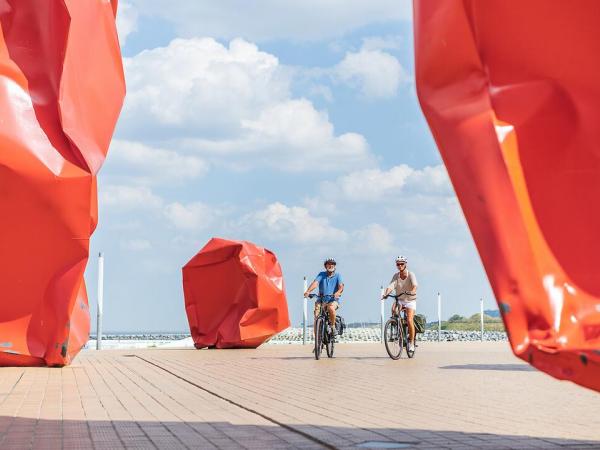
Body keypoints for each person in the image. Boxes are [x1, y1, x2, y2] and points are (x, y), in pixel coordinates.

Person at [382, 255, 418, 352]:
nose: (400, 266)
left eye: (402, 264)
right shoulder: (396, 276)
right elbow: (391, 286)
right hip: (400, 299)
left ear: (405, 264)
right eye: (398, 264)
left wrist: (412, 291)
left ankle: (411, 343)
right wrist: (386, 294)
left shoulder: (411, 275)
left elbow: (415, 285)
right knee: (394, 310)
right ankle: (397, 330)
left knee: (410, 320)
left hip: (410, 300)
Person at [304, 257, 344, 337]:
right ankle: (318, 341)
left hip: (333, 300)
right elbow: (315, 283)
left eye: (332, 264)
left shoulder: (338, 276)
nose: (331, 266)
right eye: (328, 264)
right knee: (316, 316)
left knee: (331, 308)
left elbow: (341, 287)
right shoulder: (321, 274)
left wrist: (338, 292)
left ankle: (332, 327)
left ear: (335, 266)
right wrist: (308, 291)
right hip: (321, 300)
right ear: (325, 266)